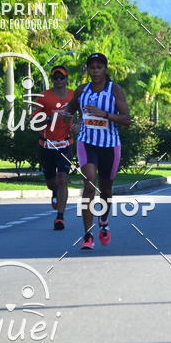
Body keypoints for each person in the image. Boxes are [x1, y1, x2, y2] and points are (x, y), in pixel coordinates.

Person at [64, 53, 130, 250]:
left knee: (106, 189)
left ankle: (103, 220)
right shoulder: (81, 90)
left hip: (110, 145)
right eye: (92, 67)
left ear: (105, 69)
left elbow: (127, 119)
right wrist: (73, 122)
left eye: (99, 67)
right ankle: (88, 234)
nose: (95, 71)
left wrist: (105, 114)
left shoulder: (114, 90)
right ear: (88, 70)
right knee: (90, 183)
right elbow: (69, 110)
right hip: (87, 143)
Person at [33, 66, 75, 231]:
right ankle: (55, 191)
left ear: (66, 79)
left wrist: (78, 125)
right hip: (46, 144)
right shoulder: (44, 96)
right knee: (51, 182)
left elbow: (82, 114)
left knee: (63, 179)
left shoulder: (73, 96)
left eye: (61, 77)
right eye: (55, 78)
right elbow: (34, 119)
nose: (59, 80)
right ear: (52, 79)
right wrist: (49, 118)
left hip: (65, 144)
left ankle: (60, 218)